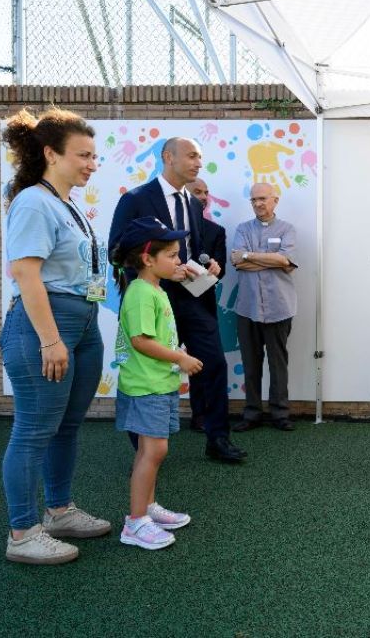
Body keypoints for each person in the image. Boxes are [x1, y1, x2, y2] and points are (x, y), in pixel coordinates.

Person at [0, 108, 111, 565]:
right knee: (33, 430)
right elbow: (26, 273)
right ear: (50, 153)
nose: (91, 163)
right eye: (83, 155)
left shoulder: (66, 204)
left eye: (94, 155)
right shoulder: (32, 201)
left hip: (81, 324)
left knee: (66, 425)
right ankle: (23, 533)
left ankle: (60, 511)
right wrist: (49, 339)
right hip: (46, 327)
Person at [109, 137, 246, 463]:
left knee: (212, 364)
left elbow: (194, 249)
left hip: (195, 300)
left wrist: (209, 263)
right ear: (168, 157)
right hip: (153, 300)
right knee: (150, 370)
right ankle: (142, 451)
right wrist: (156, 274)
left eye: (200, 157)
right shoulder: (135, 200)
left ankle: (217, 438)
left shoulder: (193, 204)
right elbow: (117, 250)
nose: (199, 162)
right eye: (192, 156)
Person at [111, 217, 200, 549]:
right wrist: (179, 358)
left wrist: (176, 351)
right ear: (148, 259)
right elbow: (140, 341)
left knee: (150, 451)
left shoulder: (153, 290)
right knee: (155, 450)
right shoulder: (140, 293)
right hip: (146, 386)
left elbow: (155, 337)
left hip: (158, 384)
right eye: (172, 255)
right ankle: (135, 523)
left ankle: (146, 508)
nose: (178, 261)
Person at [230, 183, 298, 432]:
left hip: (279, 307)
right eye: (253, 199)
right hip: (247, 308)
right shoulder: (242, 228)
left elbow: (285, 260)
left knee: (278, 363)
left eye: (262, 198)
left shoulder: (287, 229)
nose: (258, 203)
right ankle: (252, 413)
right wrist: (270, 261)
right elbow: (236, 260)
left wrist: (249, 256)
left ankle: (280, 413)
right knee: (251, 362)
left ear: (275, 201)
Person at [185, 178, 227, 433]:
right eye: (196, 192)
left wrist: (190, 279)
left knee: (204, 362)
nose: (203, 196)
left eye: (205, 192)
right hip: (164, 304)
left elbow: (218, 273)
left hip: (201, 306)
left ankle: (202, 415)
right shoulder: (165, 229)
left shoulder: (216, 231)